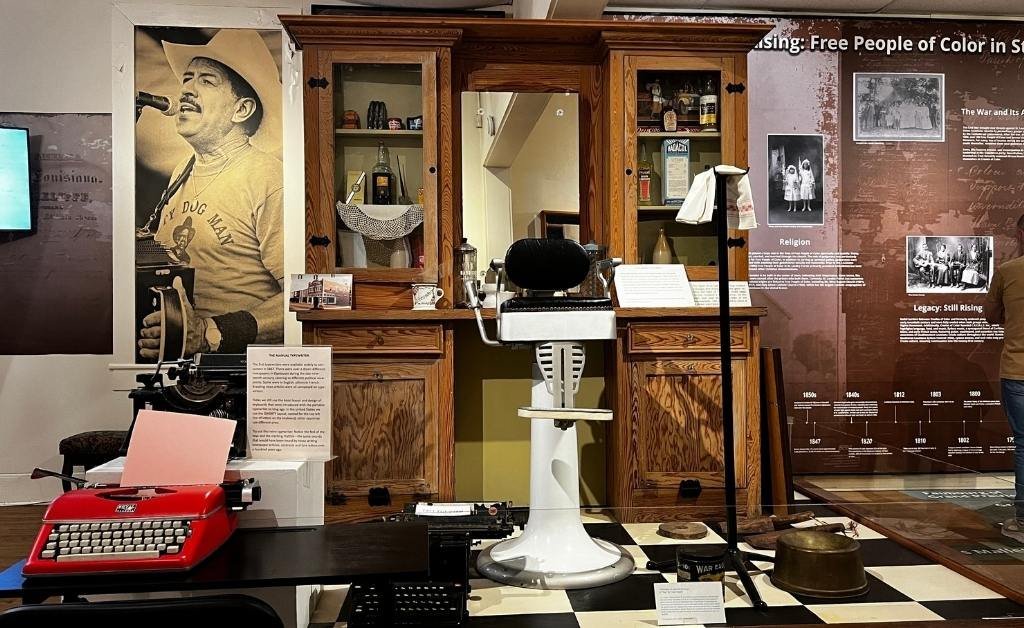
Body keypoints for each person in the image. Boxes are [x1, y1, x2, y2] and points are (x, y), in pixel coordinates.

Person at [137, 29, 283, 360]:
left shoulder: (266, 176)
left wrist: (210, 333)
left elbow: (306, 296)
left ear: (241, 109)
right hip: (184, 367)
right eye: (187, 78)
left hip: (236, 371)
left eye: (207, 81)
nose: (187, 89)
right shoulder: (182, 170)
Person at [986, 214, 1024, 542]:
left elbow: (991, 315)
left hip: (1018, 370)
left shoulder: (1008, 271)